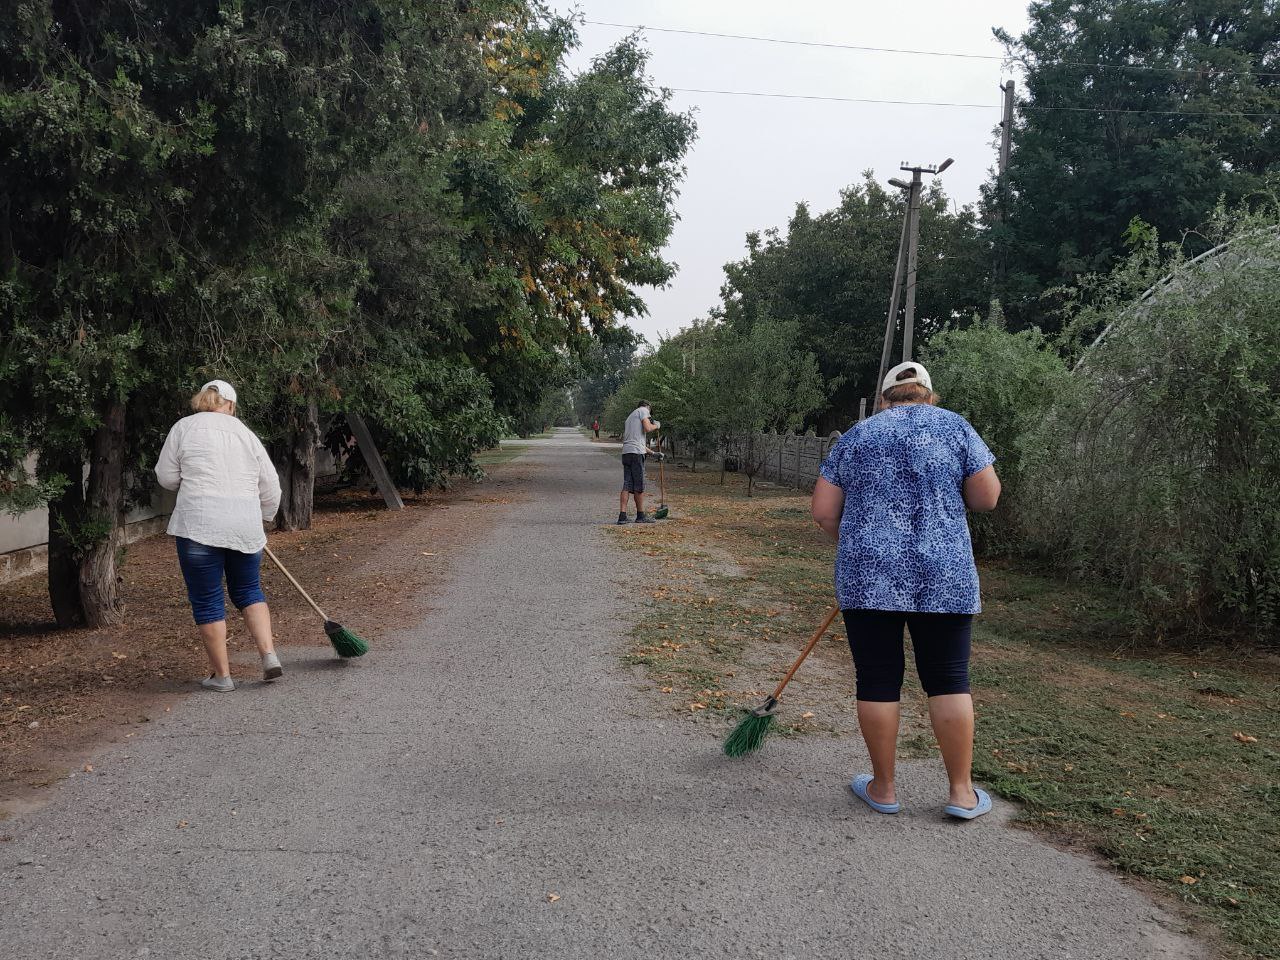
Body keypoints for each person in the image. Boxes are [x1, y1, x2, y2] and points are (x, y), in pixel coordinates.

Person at [811, 361, 1001, 819]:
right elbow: (987, 497)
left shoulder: (858, 436)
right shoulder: (956, 428)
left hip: (869, 576)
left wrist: (861, 546)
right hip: (945, 575)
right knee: (949, 679)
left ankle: (884, 788)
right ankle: (960, 793)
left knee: (877, 679)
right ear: (929, 395)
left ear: (884, 399)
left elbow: (822, 511)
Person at [154, 380, 284, 692]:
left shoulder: (183, 428)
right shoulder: (245, 434)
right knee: (250, 591)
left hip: (199, 526)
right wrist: (262, 517)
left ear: (203, 401)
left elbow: (166, 477)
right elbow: (271, 483)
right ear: (231, 406)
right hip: (244, 525)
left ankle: (222, 676)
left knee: (208, 599)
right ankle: (268, 655)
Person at [618, 400, 660, 524]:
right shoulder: (643, 410)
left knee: (627, 484)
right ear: (648, 407)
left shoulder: (630, 417)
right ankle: (641, 516)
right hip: (636, 454)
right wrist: (657, 425)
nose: (649, 415)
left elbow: (636, 442)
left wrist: (653, 453)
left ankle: (622, 516)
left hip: (627, 452)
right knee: (639, 485)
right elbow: (648, 428)